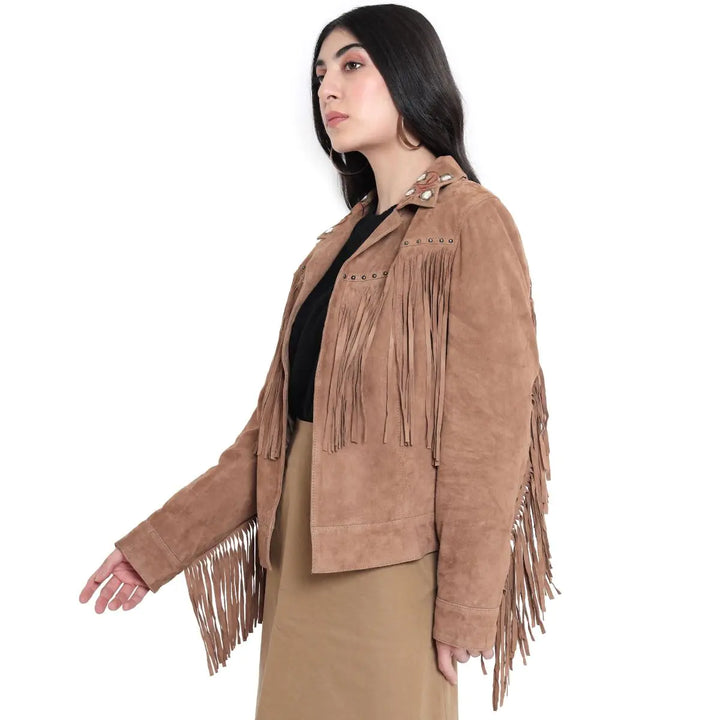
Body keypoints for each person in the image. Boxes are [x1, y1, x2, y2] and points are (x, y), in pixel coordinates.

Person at [79, 5, 558, 717]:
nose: (327, 88)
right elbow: (269, 443)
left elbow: (490, 434)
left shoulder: (470, 221)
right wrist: (154, 550)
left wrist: (465, 604)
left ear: (412, 74)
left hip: (393, 580)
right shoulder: (333, 248)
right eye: (319, 75)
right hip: (295, 562)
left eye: (352, 65)